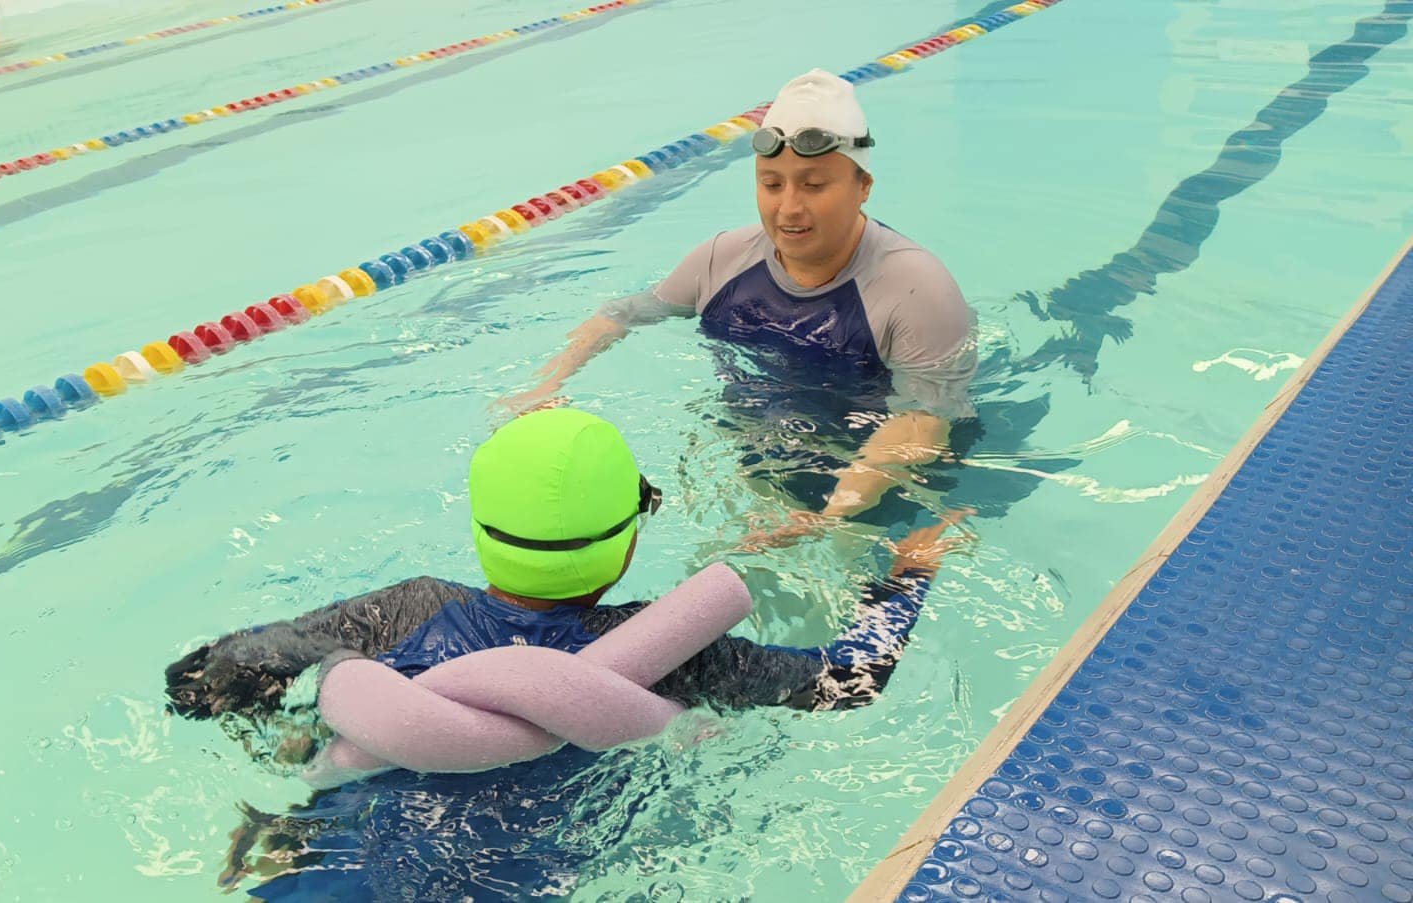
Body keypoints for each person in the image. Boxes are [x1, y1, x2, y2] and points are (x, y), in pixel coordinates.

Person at [164, 408, 971, 898]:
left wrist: (290, 732)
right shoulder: (667, 649)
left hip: (323, 863)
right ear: (627, 541)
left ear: (481, 530)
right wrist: (907, 578)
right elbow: (851, 681)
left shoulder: (400, 609)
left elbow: (202, 681)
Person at [497, 69, 977, 545]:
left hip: (882, 492)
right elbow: (622, 314)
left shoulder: (918, 290)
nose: (788, 208)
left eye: (813, 186)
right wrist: (546, 384)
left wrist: (831, 517)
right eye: (772, 184)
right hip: (756, 460)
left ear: (863, 186)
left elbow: (924, 422)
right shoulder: (721, 260)